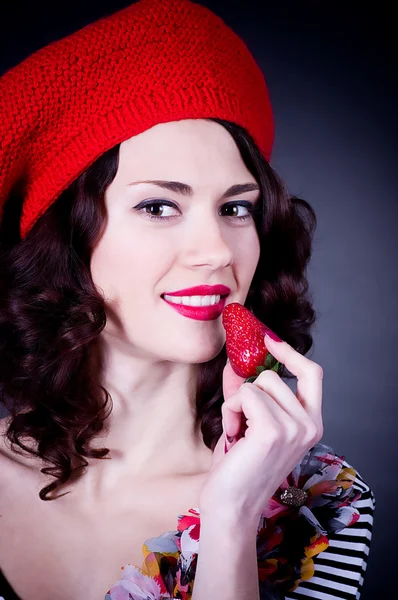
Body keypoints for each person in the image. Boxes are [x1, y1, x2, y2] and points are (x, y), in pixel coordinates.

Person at [0, 0, 375, 599]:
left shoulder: (323, 510)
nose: (216, 251)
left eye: (235, 208)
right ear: (68, 233)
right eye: (158, 206)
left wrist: (230, 519)